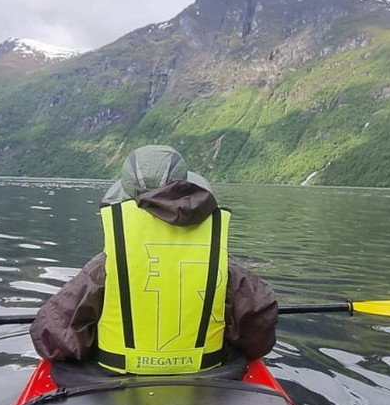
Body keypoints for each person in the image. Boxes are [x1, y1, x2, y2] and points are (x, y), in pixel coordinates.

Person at [30, 145, 277, 376]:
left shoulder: (106, 263)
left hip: (119, 381)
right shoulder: (221, 262)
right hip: (206, 378)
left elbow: (52, 336)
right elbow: (258, 336)